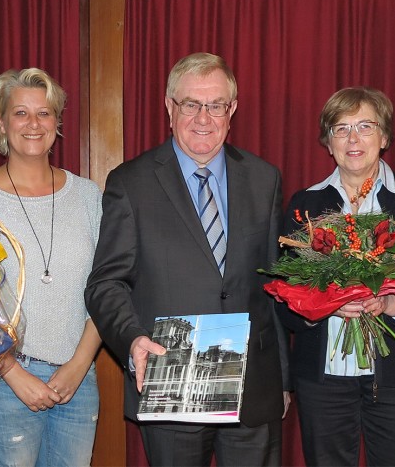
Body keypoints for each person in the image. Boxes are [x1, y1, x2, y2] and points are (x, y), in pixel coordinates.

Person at [84, 52, 289, 467]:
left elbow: (273, 285)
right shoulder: (131, 183)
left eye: (215, 105)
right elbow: (105, 283)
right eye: (190, 104)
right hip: (171, 379)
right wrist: (132, 338)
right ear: (168, 107)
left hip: (252, 386)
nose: (203, 117)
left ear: (232, 110)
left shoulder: (264, 178)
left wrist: (282, 378)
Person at [276, 87, 395, 466]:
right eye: (341, 129)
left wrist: (392, 304)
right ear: (328, 142)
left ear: (385, 137)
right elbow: (282, 302)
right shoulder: (304, 206)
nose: (353, 138)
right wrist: (323, 308)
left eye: (365, 126)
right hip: (323, 384)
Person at [0, 68, 102, 467]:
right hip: (3, 382)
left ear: (57, 122)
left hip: (78, 379)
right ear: (1, 122)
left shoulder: (89, 197)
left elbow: (108, 289)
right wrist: (12, 372)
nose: (33, 124)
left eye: (44, 113)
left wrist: (79, 365)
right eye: (20, 113)